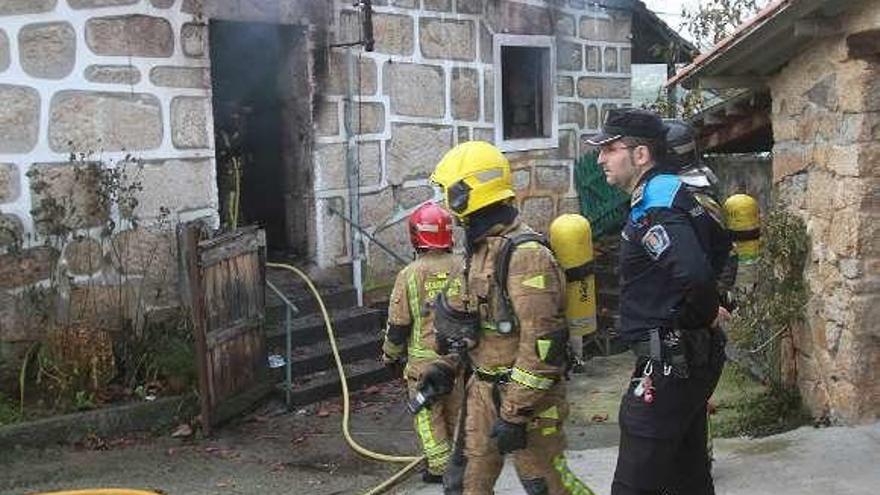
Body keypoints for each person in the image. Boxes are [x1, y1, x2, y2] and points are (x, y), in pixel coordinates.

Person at [430, 141, 592, 495]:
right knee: (463, 485)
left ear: (465, 193)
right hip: (483, 394)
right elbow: (466, 321)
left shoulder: (526, 257)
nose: (442, 201)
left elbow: (544, 347)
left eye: (445, 192)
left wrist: (514, 414)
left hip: (528, 402)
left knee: (549, 486)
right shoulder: (480, 249)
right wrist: (443, 368)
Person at [587, 109, 729, 495]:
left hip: (670, 360)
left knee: (634, 481)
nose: (600, 159)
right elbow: (720, 247)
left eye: (609, 149)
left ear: (641, 155)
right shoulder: (673, 192)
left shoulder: (657, 206)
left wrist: (696, 318)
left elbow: (697, 276)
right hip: (683, 359)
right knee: (688, 475)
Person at [381, 202, 463, 483]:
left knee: (428, 417)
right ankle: (457, 461)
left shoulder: (410, 274)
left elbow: (398, 325)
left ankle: (439, 468)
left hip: (422, 365)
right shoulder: (463, 267)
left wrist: (390, 356)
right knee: (455, 412)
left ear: (417, 236)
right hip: (456, 361)